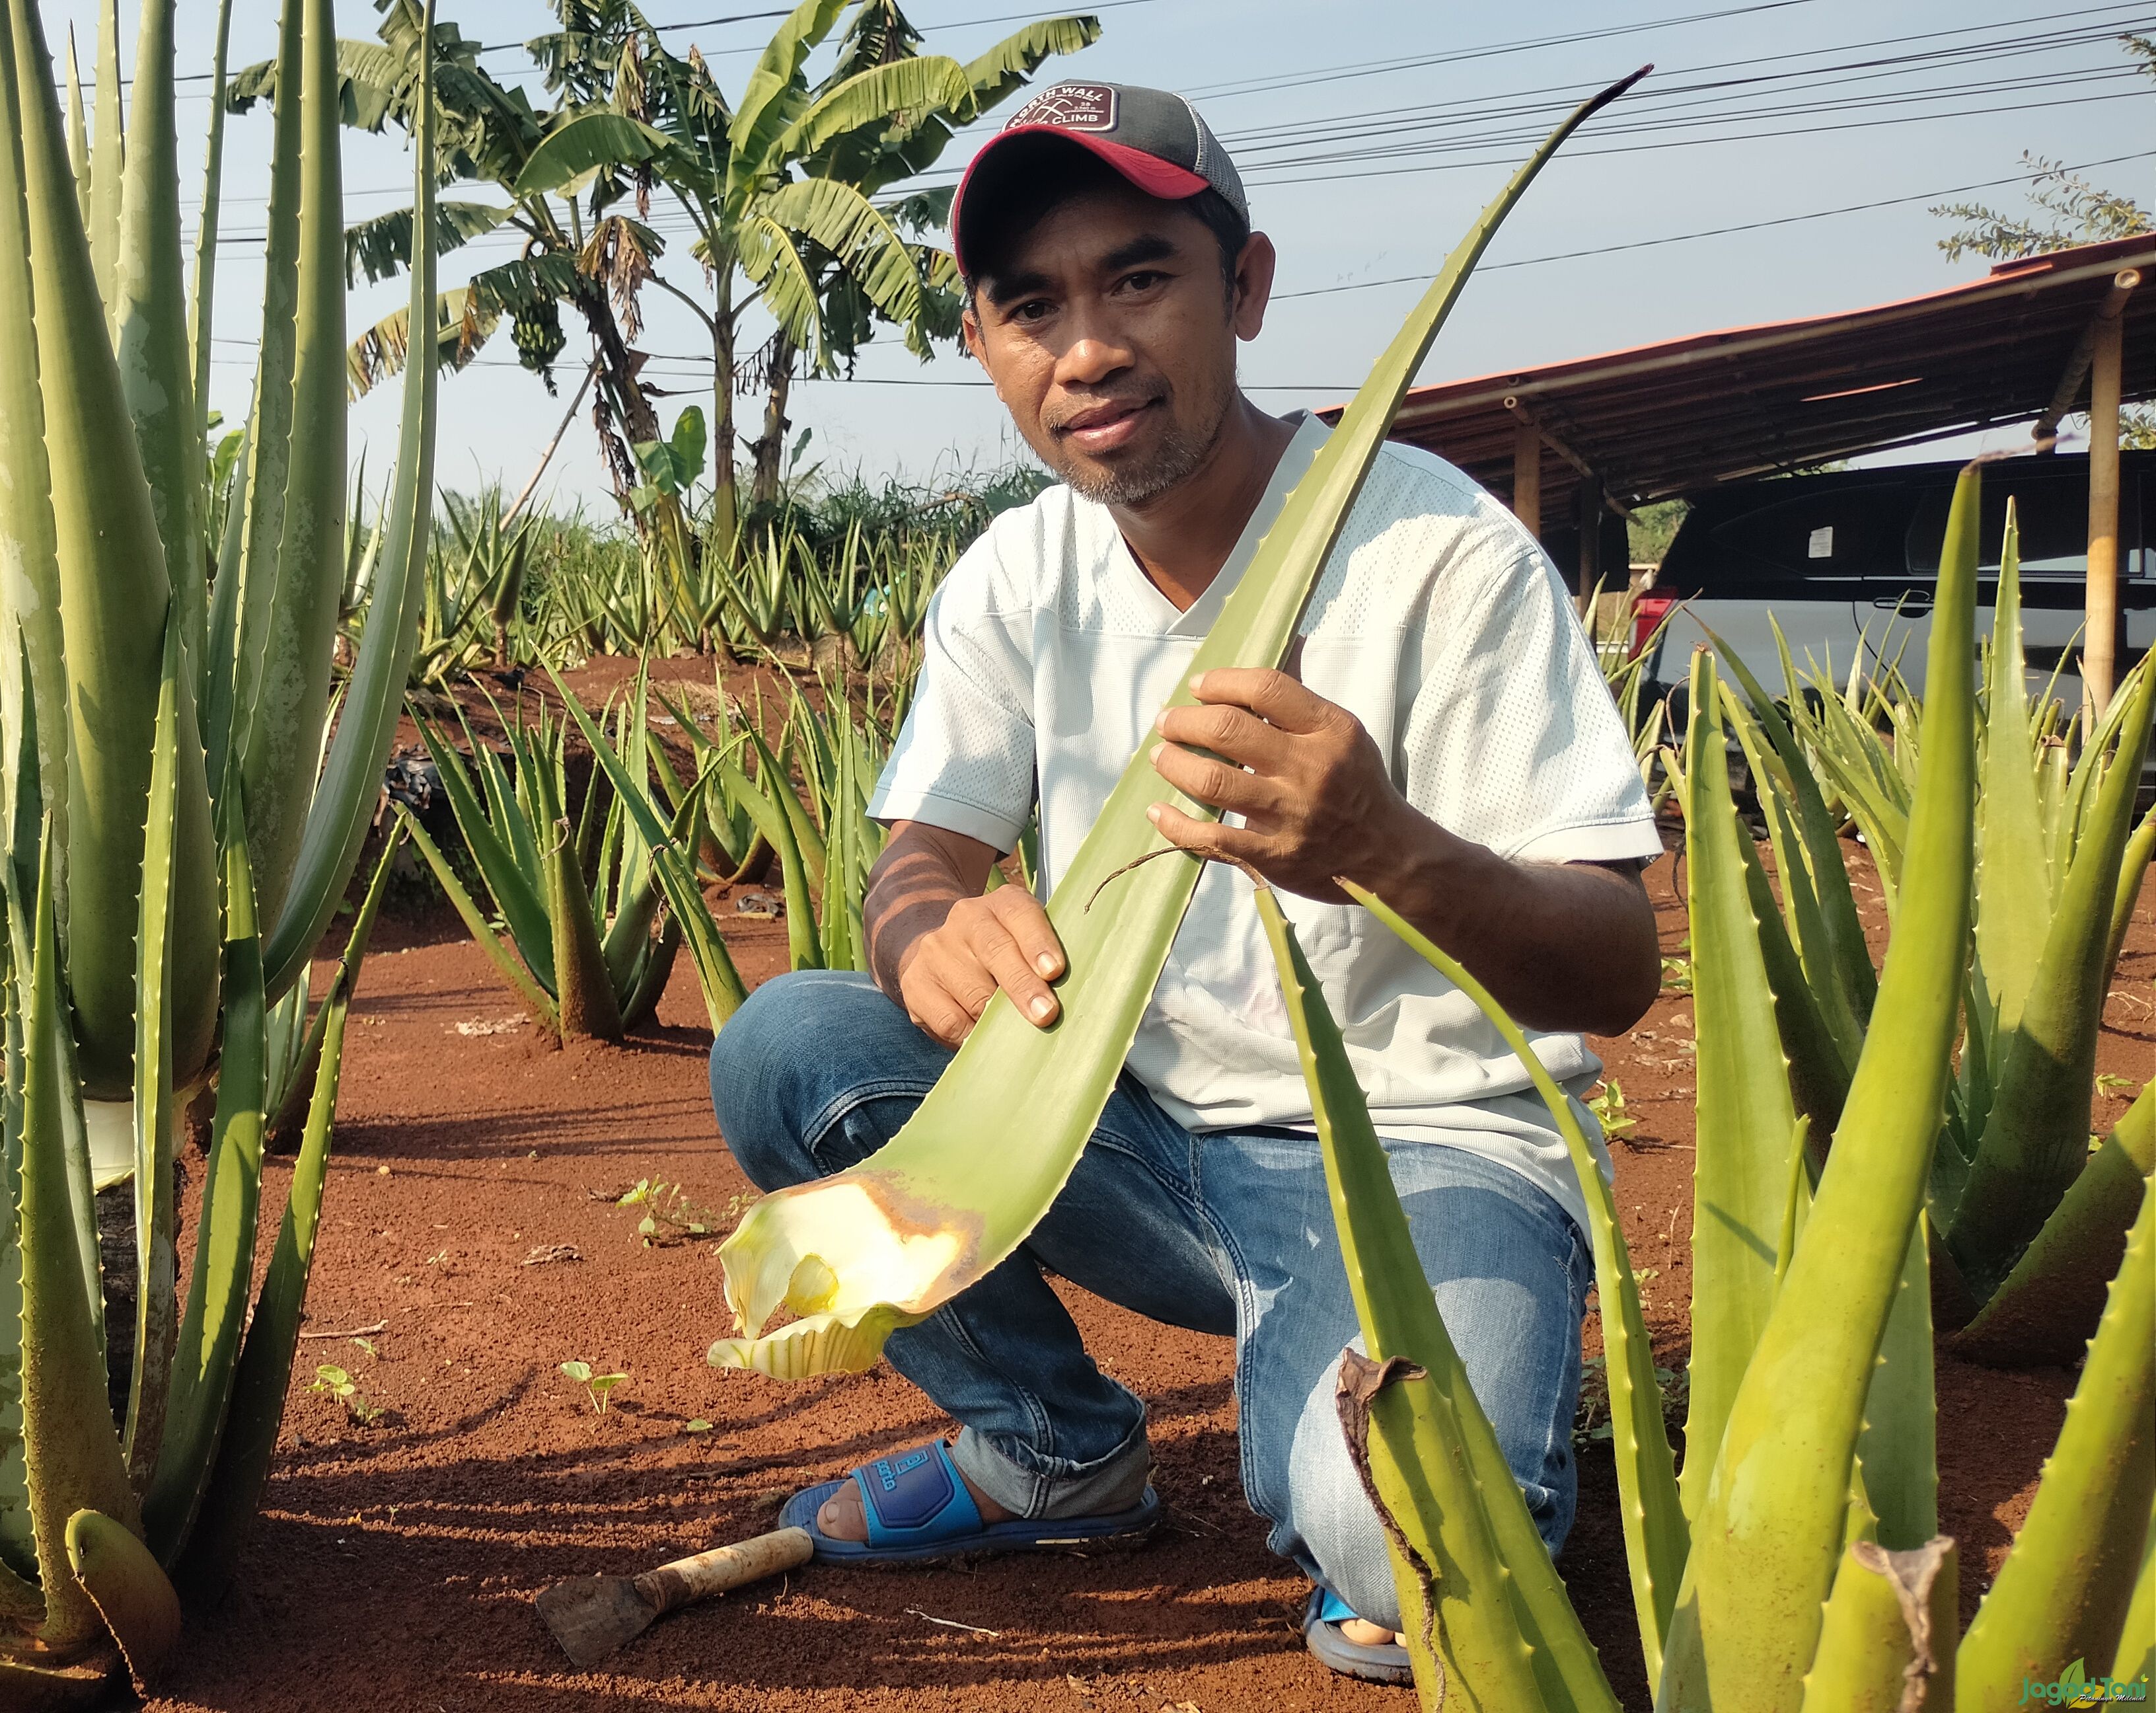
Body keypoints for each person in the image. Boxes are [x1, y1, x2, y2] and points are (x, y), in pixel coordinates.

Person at [706, 81, 1660, 1688]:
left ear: (1250, 286)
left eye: (1139, 278)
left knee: (1396, 1573)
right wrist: (925, 928)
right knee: (797, 1046)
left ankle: (1456, 1413)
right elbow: (919, 856)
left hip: (1419, 1147)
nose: (1087, 349)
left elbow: (1617, 962)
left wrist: (1383, 847)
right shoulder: (1018, 573)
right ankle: (1058, 1453)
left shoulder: (1438, 550)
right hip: (1128, 1139)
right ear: (990, 346)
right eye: (1033, 306)